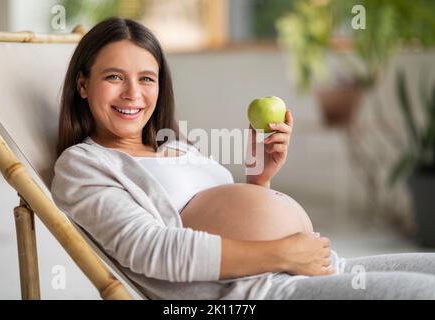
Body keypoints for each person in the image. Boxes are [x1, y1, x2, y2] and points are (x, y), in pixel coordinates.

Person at [51, 17, 435, 300]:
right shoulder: (84, 165)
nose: (133, 93)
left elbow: (219, 218)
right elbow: (155, 251)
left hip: (314, 266)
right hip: (258, 292)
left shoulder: (172, 145)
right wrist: (282, 251)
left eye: (147, 78)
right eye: (114, 77)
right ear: (83, 84)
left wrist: (259, 181)